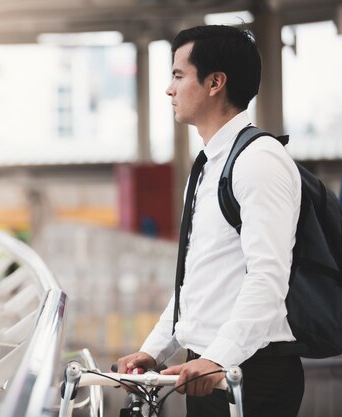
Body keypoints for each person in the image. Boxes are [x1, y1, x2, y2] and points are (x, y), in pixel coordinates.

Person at [116, 25, 304, 417]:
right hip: (206, 366)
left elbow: (268, 276)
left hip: (250, 372)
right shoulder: (207, 166)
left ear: (215, 82)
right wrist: (155, 350)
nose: (169, 89)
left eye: (178, 75)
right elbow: (195, 282)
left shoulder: (258, 160)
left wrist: (219, 358)